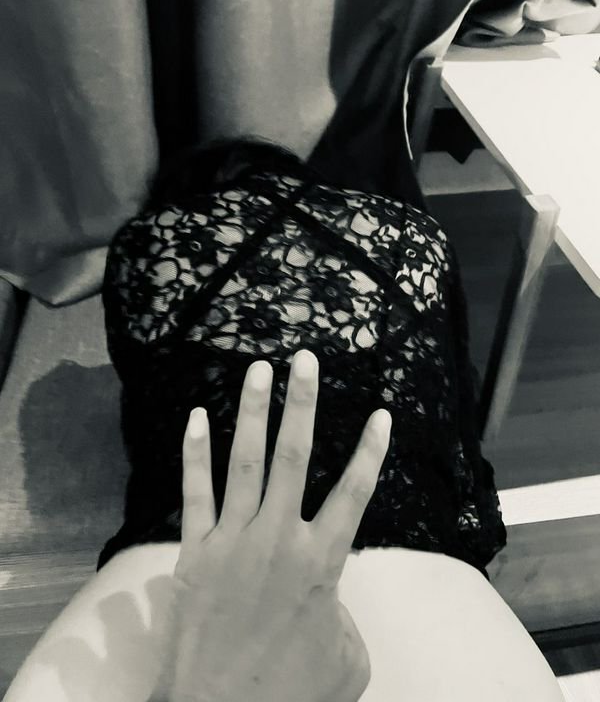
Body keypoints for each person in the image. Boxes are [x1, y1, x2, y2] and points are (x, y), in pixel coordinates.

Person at [6, 141, 564, 701]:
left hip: (175, 565)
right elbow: (459, 439)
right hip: (434, 598)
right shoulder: (416, 233)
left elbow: (141, 402)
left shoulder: (145, 242)